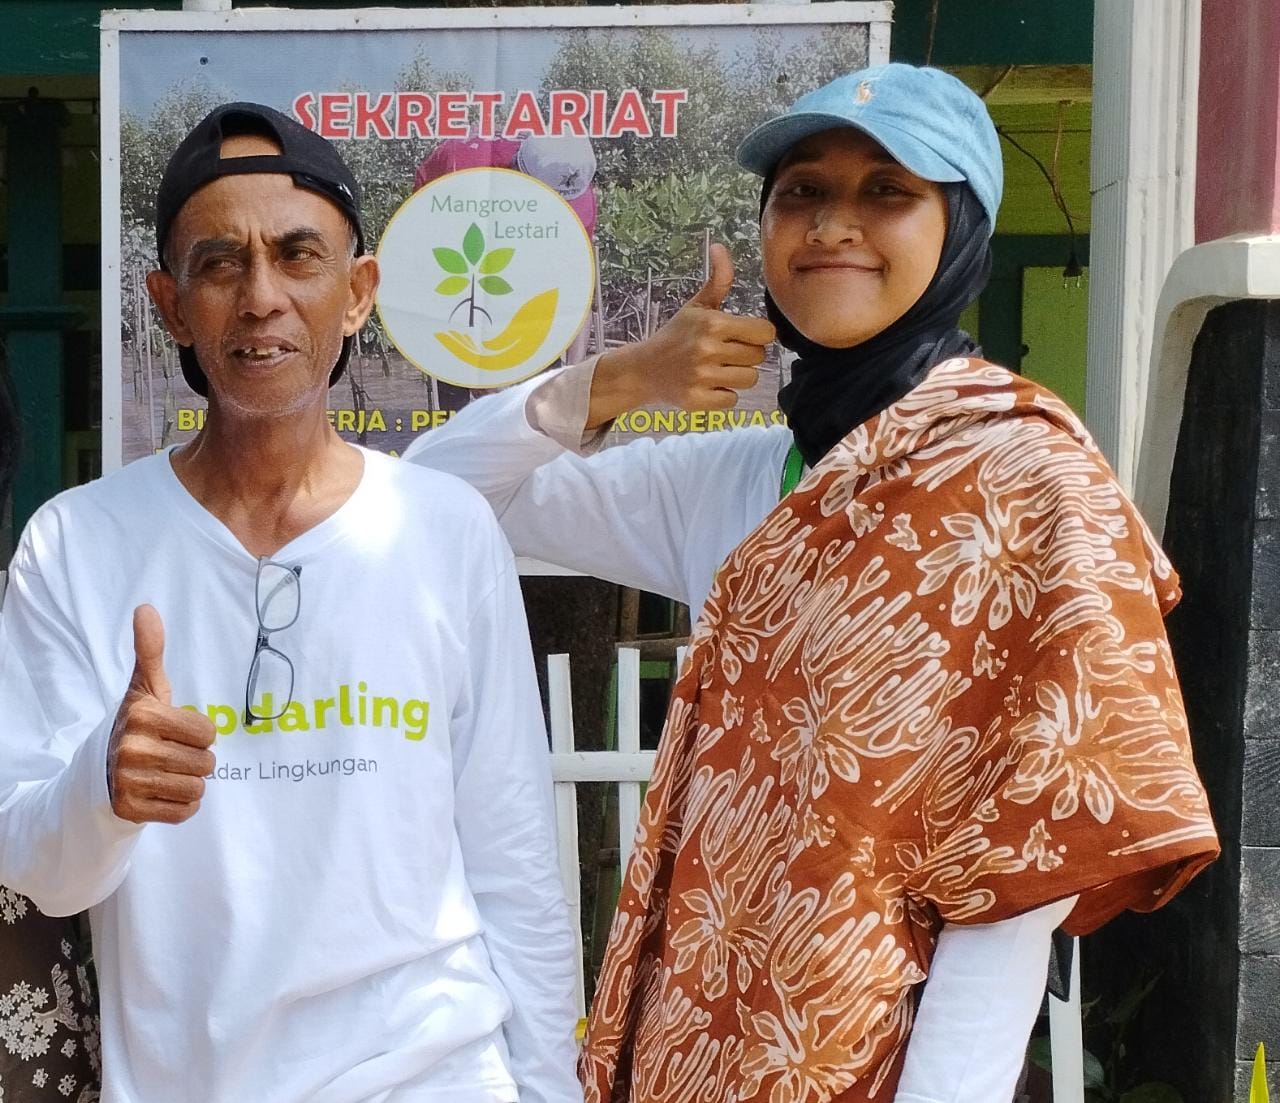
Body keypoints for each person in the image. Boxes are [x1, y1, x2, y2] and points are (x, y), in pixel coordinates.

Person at [405, 64, 1219, 1101]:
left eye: (886, 191)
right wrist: (619, 380)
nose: (833, 224)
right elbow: (433, 496)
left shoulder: (1026, 479)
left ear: (958, 227)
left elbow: (1015, 874)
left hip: (886, 1062)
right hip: (695, 1045)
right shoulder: (744, 478)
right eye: (801, 191)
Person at [0, 103, 580, 1103]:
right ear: (170, 305)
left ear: (357, 293)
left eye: (297, 255)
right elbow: (40, 867)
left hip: (434, 1072)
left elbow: (513, 855)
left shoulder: (441, 528)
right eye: (220, 263)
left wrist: (548, 1086)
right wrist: (106, 782)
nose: (260, 295)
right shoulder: (76, 542)